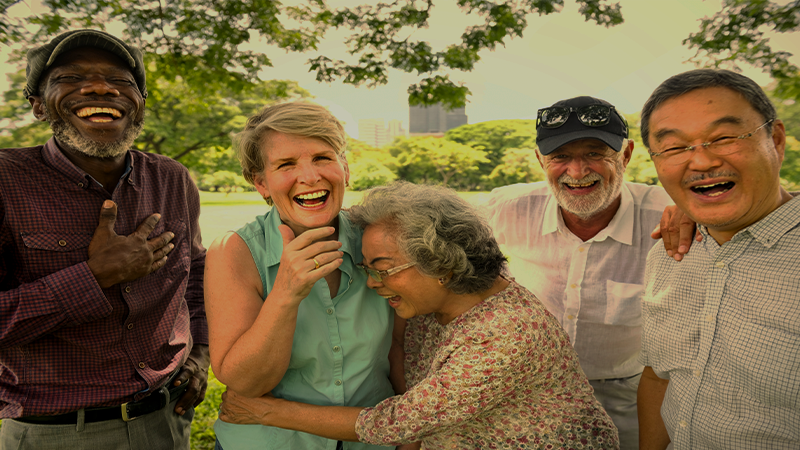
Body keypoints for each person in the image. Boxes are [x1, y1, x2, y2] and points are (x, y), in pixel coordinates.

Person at [218, 181, 621, 449]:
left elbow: (396, 421)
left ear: (441, 263)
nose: (373, 284)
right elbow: (404, 362)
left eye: (382, 268)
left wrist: (266, 410)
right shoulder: (436, 306)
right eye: (366, 269)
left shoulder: (504, 333)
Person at [0, 29, 209, 449]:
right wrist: (93, 278)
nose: (100, 87)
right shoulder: (6, 181)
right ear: (38, 105)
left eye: (122, 80)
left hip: (166, 421)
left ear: (140, 105)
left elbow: (196, 275)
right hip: (54, 434)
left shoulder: (170, 178)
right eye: (71, 77)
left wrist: (201, 353)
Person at [204, 102, 398, 450]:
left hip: (372, 441)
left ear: (345, 168)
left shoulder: (380, 238)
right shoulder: (234, 252)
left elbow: (404, 352)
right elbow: (246, 383)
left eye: (323, 158)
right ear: (261, 183)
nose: (310, 177)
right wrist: (285, 294)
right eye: (286, 165)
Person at [484, 96, 675, 449]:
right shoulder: (508, 208)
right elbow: (435, 236)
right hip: (527, 393)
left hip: (626, 398)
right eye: (560, 157)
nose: (577, 171)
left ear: (627, 154)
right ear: (540, 159)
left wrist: (695, 214)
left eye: (594, 153)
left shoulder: (670, 215)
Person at [637, 68, 800, 450]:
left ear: (775, 140)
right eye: (675, 147)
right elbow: (659, 377)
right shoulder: (668, 252)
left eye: (724, 138)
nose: (702, 161)